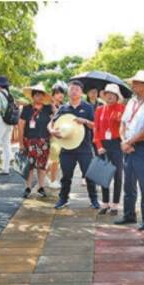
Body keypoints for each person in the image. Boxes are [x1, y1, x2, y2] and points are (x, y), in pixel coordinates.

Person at [114, 70, 144, 231]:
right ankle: (129, 214)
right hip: (127, 146)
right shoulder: (131, 102)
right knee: (129, 184)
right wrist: (123, 140)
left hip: (140, 147)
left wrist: (130, 141)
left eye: (137, 83)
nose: (133, 86)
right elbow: (123, 123)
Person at [49, 80, 99, 209]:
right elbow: (52, 122)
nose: (74, 91)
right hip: (66, 147)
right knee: (66, 176)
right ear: (68, 91)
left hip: (84, 147)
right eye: (71, 89)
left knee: (89, 175)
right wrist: (52, 131)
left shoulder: (88, 107)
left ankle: (94, 199)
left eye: (77, 89)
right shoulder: (63, 108)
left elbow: (95, 125)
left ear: (81, 92)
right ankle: (63, 199)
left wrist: (86, 121)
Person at [93, 83, 126, 215]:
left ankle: (115, 204)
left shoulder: (122, 108)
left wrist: (120, 120)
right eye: (107, 94)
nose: (110, 96)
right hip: (103, 144)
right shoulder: (99, 110)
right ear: (104, 96)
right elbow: (96, 129)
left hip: (117, 143)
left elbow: (125, 126)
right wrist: (99, 146)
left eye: (113, 94)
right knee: (103, 174)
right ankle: (105, 203)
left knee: (118, 174)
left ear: (117, 96)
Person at [18, 83, 53, 198]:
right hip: (30, 141)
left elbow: (55, 120)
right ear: (33, 96)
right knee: (30, 166)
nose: (40, 97)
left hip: (44, 141)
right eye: (37, 95)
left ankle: (41, 187)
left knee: (42, 166)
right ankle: (27, 187)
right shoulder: (27, 109)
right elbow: (21, 126)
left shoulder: (48, 109)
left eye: (41, 95)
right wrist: (21, 143)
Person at [47, 83, 67, 189]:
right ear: (53, 94)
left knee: (57, 159)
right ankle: (53, 180)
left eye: (62, 93)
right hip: (51, 134)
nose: (60, 95)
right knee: (55, 157)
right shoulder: (48, 106)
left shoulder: (63, 106)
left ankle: (45, 173)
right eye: (58, 93)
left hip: (61, 134)